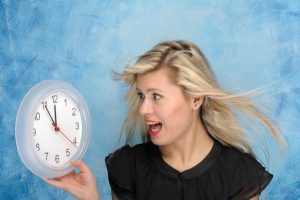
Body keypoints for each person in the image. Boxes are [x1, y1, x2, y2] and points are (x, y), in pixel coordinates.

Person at [44, 40, 284, 200]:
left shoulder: (239, 175)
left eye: (157, 96)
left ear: (195, 98)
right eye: (141, 96)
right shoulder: (128, 168)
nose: (143, 109)